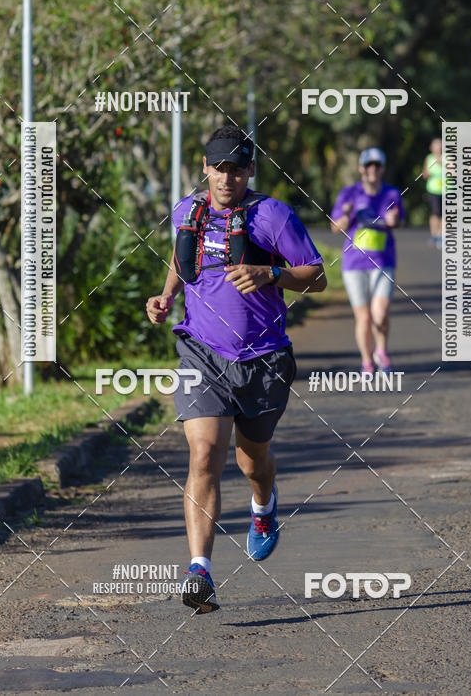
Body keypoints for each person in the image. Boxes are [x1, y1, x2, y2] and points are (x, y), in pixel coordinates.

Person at [146, 125, 326, 614]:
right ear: (205, 168)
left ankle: (263, 506)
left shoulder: (272, 215)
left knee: (252, 462)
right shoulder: (188, 212)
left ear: (251, 170)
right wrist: (166, 295)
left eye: (238, 169)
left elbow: (317, 276)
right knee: (204, 453)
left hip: (264, 360)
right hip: (201, 352)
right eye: (220, 168)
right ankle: (199, 571)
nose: (227, 178)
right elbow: (182, 257)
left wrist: (271, 273)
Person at [330, 147, 405, 377]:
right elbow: (335, 227)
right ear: (361, 168)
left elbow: (400, 221)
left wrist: (394, 221)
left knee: (380, 314)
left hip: (383, 262)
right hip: (354, 264)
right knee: (363, 317)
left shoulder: (392, 194)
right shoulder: (349, 193)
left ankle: (381, 350)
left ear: (382, 169)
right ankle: (367, 361)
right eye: (368, 165)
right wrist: (346, 215)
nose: (373, 169)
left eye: (377, 165)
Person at [422, 138, 443, 248]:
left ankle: (442, 235)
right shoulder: (429, 158)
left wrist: (442, 164)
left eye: (440, 145)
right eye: (436, 145)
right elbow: (424, 174)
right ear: (431, 148)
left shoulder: (448, 158)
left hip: (446, 189)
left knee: (444, 214)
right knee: (435, 211)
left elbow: (454, 172)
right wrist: (426, 174)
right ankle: (434, 235)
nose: (438, 147)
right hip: (433, 189)